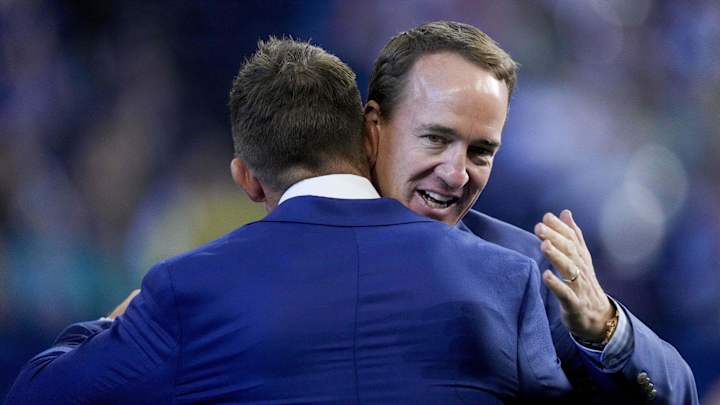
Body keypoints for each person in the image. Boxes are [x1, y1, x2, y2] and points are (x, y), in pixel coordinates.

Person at [7, 38, 571, 403]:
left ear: (247, 179)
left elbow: (36, 393)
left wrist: (109, 324)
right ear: (367, 142)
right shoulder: (506, 277)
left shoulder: (188, 291)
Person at [363, 20, 698, 404]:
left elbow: (678, 394)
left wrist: (605, 325)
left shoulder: (525, 271)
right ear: (374, 129)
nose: (456, 175)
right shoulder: (303, 239)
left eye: (480, 152)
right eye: (436, 139)